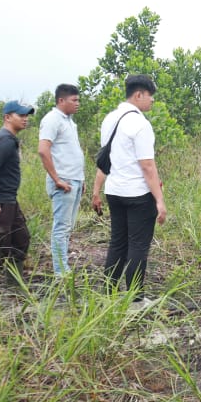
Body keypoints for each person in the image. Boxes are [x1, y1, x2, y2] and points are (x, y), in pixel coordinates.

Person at [91, 75, 167, 292]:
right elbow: (147, 166)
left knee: (118, 243)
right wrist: (160, 201)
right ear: (139, 94)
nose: (152, 100)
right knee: (138, 246)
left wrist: (97, 190)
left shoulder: (109, 119)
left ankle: (108, 291)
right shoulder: (140, 123)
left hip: (114, 191)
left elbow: (105, 159)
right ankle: (134, 297)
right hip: (137, 195)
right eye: (150, 96)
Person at [38, 83, 85, 275]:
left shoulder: (69, 121)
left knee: (67, 228)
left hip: (74, 180)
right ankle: (61, 272)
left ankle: (63, 267)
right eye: (74, 100)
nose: (77, 103)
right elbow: (43, 150)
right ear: (61, 100)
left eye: (78, 100)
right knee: (61, 227)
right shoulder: (52, 119)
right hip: (64, 181)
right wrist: (56, 179)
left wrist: (81, 180)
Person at [0, 100, 35, 275]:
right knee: (1, 243)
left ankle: (14, 282)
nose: (25, 119)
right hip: (2, 200)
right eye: (21, 115)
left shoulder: (5, 138)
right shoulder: (5, 141)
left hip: (9, 199)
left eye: (26, 115)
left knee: (21, 238)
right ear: (7, 117)